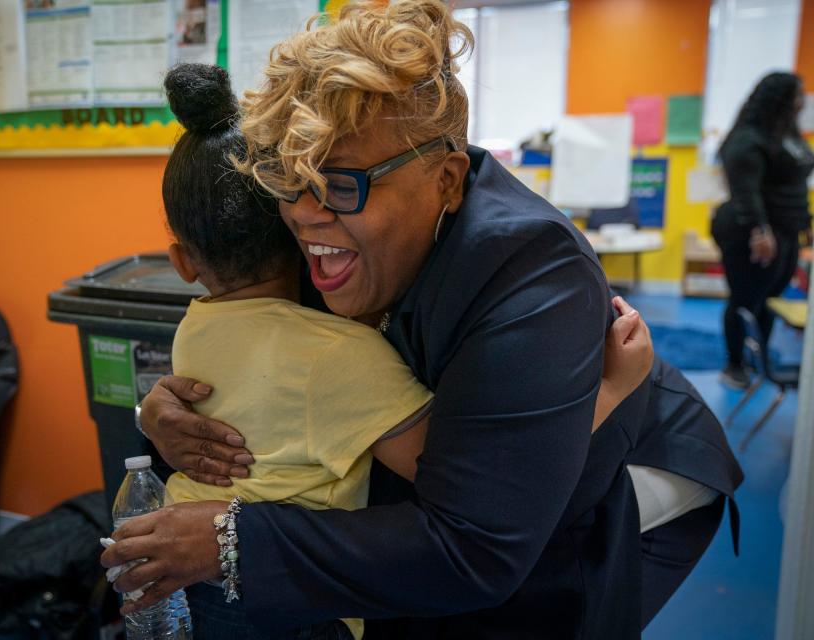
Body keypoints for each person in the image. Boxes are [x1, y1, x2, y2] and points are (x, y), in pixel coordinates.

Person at [103, 2, 743, 637]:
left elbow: (475, 542)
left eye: (342, 181)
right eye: (288, 179)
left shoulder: (532, 276)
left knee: (539, 599)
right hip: (465, 467)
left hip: (628, 452)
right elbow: (261, 359)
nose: (304, 214)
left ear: (448, 180)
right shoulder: (319, 216)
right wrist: (161, 416)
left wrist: (233, 541)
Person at [712, 71, 814, 389]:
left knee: (770, 299)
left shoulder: (788, 136)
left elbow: (796, 187)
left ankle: (760, 360)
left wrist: (806, 225)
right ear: (779, 98)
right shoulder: (748, 138)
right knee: (744, 299)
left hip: (786, 231)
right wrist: (760, 231)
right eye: (797, 95)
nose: (802, 101)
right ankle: (734, 365)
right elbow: (746, 190)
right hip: (750, 233)